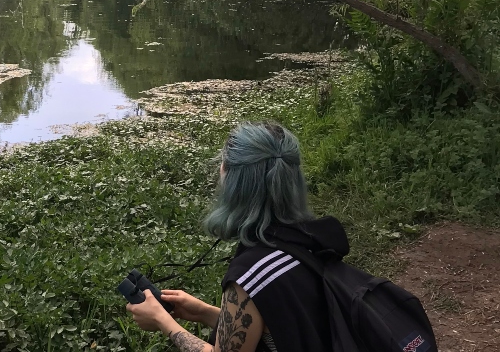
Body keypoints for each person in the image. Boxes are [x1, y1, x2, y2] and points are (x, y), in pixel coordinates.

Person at [126, 121, 349, 352]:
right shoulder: (308, 241)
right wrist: (203, 312)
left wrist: (163, 321)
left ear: (233, 182)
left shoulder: (250, 274)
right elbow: (278, 326)